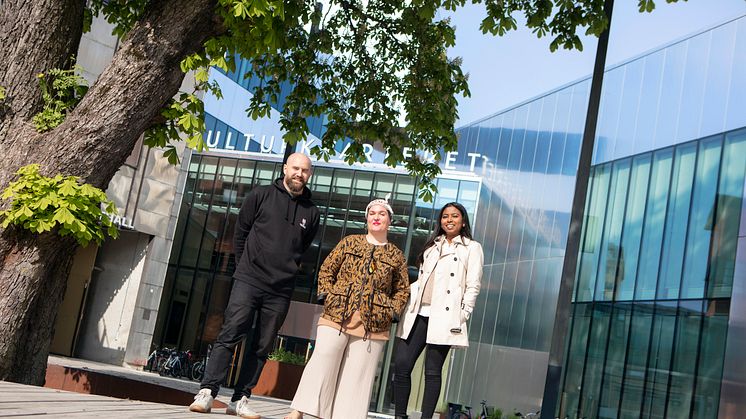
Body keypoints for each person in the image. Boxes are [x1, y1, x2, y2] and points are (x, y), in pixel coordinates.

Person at [189, 152, 320, 419]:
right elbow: (240, 233)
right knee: (230, 333)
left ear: (309, 175)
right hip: (249, 280)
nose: (299, 174)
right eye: (295, 168)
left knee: (262, 346)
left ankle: (240, 399)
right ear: (285, 168)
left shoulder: (312, 212)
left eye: (304, 170)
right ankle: (207, 392)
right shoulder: (260, 195)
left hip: (280, 290)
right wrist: (243, 266)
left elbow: (302, 247)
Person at [285, 197, 410, 419]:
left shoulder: (396, 255)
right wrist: (328, 295)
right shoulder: (350, 242)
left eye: (382, 213)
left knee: (357, 378)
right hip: (336, 314)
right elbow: (327, 269)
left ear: (390, 220)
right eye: (372, 213)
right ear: (366, 218)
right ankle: (300, 410)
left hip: (373, 324)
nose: (376, 217)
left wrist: (391, 311)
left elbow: (402, 290)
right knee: (322, 360)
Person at [392, 202, 483, 419]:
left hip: (445, 316)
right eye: (445, 216)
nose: (449, 220)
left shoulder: (472, 248)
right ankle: (399, 416)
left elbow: (473, 284)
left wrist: (463, 314)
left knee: (432, 372)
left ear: (463, 222)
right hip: (418, 313)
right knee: (402, 366)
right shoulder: (431, 246)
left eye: (454, 216)